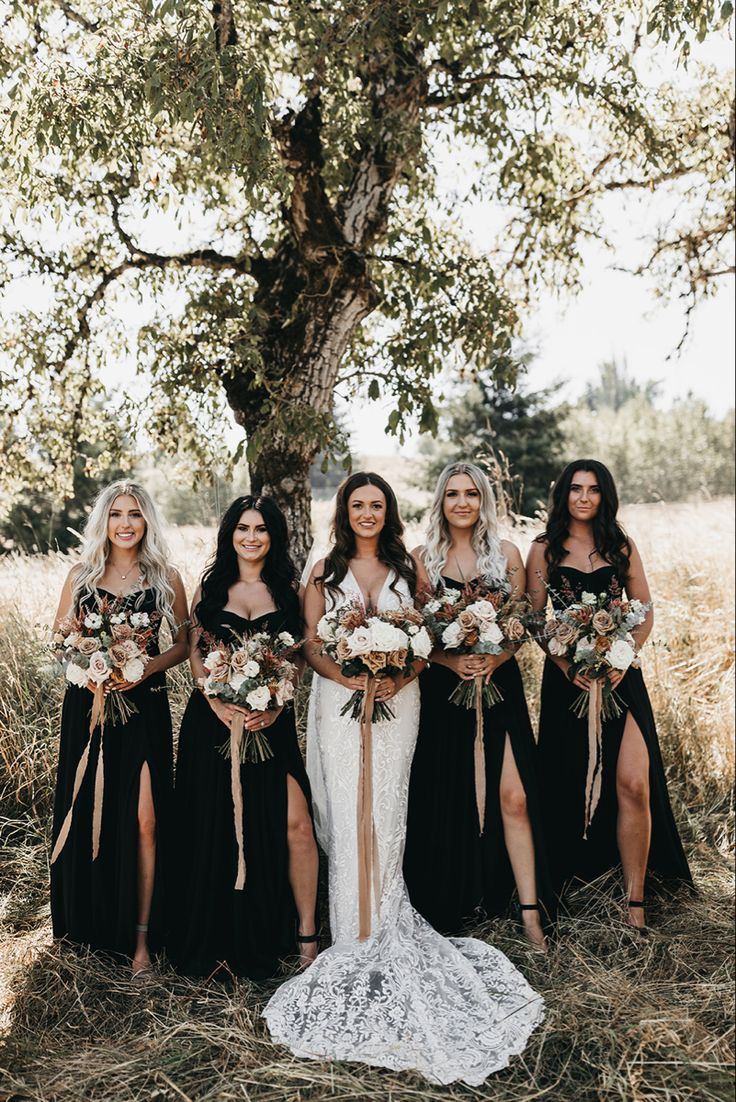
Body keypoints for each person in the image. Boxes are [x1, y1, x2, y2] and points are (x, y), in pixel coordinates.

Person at [263, 473, 543, 1087]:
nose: (367, 513)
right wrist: (349, 680)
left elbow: (422, 639)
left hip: (399, 704)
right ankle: (351, 934)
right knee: (343, 810)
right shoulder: (323, 571)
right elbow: (311, 644)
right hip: (339, 704)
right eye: (357, 504)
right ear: (344, 511)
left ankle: (385, 923)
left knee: (386, 813)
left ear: (388, 513)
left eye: (377, 505)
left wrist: (398, 675)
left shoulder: (405, 569)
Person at [526, 459, 692, 928]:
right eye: (575, 489)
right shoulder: (542, 549)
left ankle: (635, 902)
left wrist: (622, 656)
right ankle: (574, 880)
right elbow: (537, 620)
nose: (583, 497)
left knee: (634, 785)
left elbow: (644, 610)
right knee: (570, 781)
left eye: (593, 489)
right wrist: (564, 664)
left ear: (605, 496)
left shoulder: (620, 545)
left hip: (622, 680)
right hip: (569, 684)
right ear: (563, 495)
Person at [404, 462, 553, 948]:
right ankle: (456, 903)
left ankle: (530, 913)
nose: (462, 503)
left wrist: (496, 657)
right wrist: (450, 660)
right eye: (453, 495)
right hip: (445, 692)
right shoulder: (422, 559)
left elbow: (523, 623)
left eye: (471, 493)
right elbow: (417, 632)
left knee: (516, 797)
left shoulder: (507, 554)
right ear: (440, 503)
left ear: (484, 500)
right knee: (450, 797)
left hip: (499, 686)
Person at [170, 495, 318, 979]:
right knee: (215, 827)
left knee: (296, 825)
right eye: (242, 528)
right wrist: (215, 701)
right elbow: (195, 653)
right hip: (210, 724)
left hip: (270, 725)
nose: (251, 537)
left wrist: (276, 704)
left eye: (261, 529)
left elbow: (298, 656)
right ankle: (218, 940)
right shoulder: (210, 588)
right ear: (229, 533)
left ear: (274, 537)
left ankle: (305, 938)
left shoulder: (290, 590)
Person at [50, 480, 189, 975]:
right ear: (103, 522)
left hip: (144, 708)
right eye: (116, 514)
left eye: (134, 514)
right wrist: (92, 668)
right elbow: (60, 641)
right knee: (95, 817)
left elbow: (186, 642)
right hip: (89, 710)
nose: (125, 523)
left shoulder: (165, 577)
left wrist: (145, 667)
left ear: (147, 520)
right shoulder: (82, 577)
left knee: (147, 821)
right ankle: (93, 928)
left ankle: (142, 940)